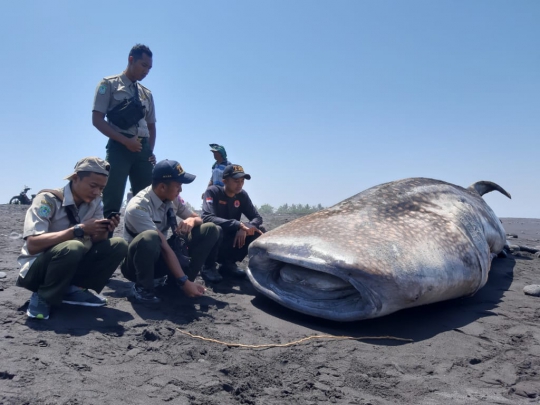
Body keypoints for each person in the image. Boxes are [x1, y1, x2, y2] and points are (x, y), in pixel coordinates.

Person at [16, 157, 128, 320]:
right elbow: (33, 244)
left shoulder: (95, 202)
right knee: (73, 246)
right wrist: (78, 230)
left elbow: (96, 241)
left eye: (101, 188)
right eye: (93, 186)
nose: (97, 192)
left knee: (118, 244)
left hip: (70, 265)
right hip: (37, 272)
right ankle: (43, 295)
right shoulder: (47, 200)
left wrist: (105, 229)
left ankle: (73, 290)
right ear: (75, 178)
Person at [121, 159, 220, 304]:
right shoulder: (138, 206)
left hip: (162, 256)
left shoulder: (172, 198)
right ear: (162, 187)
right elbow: (164, 247)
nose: (181, 190)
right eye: (178, 185)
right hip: (137, 265)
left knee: (210, 229)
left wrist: (192, 221)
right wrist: (184, 281)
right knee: (150, 237)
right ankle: (144, 288)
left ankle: (178, 284)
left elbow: (198, 218)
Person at [92, 44, 157, 219]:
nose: (146, 71)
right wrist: (125, 141)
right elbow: (97, 120)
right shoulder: (109, 84)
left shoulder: (146, 94)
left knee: (146, 200)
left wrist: (149, 151)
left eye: (149, 68)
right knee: (112, 199)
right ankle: (106, 243)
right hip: (119, 148)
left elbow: (151, 126)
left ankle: (143, 243)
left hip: (142, 151)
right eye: (143, 65)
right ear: (131, 60)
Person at [202, 164, 264, 280]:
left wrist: (245, 227)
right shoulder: (213, 192)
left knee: (257, 231)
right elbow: (207, 217)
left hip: (230, 240)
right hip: (213, 240)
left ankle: (228, 264)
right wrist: (237, 224)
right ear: (224, 181)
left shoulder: (242, 195)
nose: (239, 184)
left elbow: (257, 217)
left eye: (242, 181)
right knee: (216, 229)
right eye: (236, 181)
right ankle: (208, 267)